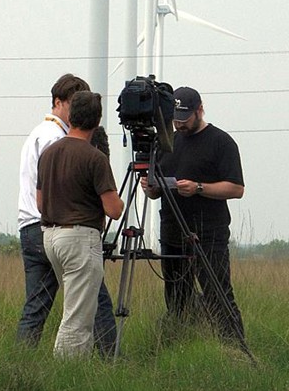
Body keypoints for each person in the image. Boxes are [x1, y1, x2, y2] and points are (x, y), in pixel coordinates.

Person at [16, 74, 117, 357]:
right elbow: (63, 186)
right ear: (58, 102)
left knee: (36, 307)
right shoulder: (55, 138)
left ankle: (20, 361)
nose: (76, 112)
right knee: (94, 300)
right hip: (55, 224)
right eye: (72, 104)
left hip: (32, 226)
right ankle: (110, 360)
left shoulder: (38, 133)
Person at [141, 86, 246, 343]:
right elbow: (157, 191)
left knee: (217, 293)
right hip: (172, 231)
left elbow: (236, 188)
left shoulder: (221, 142)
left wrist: (199, 188)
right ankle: (180, 344)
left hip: (208, 233)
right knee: (176, 296)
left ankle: (234, 348)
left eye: (185, 119)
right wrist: (151, 188)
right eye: (175, 119)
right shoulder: (166, 142)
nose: (179, 124)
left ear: (200, 110)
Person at [37, 91, 124, 357]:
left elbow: (40, 203)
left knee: (76, 309)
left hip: (51, 237)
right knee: (77, 320)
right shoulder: (94, 158)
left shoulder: (49, 153)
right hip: (79, 239)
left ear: (72, 116)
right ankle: (66, 373)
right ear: (97, 121)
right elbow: (114, 210)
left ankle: (74, 368)